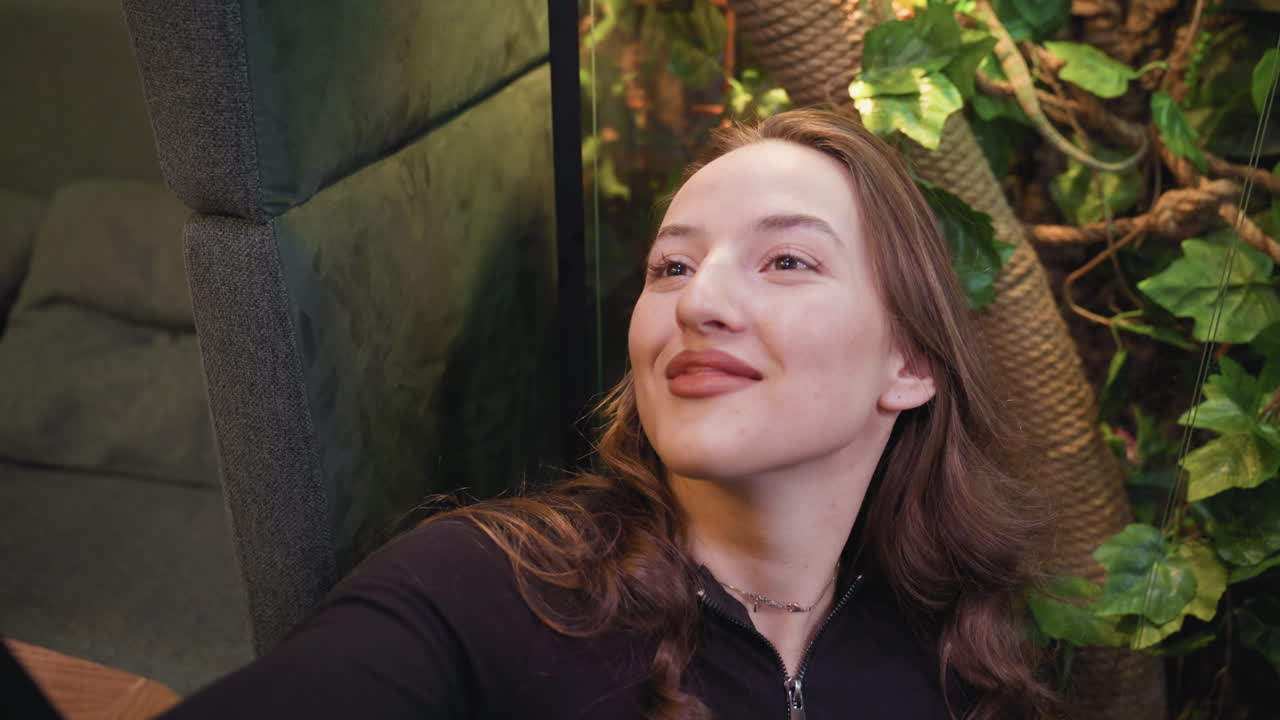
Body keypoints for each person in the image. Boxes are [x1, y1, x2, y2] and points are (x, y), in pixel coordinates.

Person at [160, 108, 1054, 719]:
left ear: (910, 363)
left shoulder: (954, 651)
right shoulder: (478, 591)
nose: (698, 303)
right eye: (670, 267)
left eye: (786, 262)